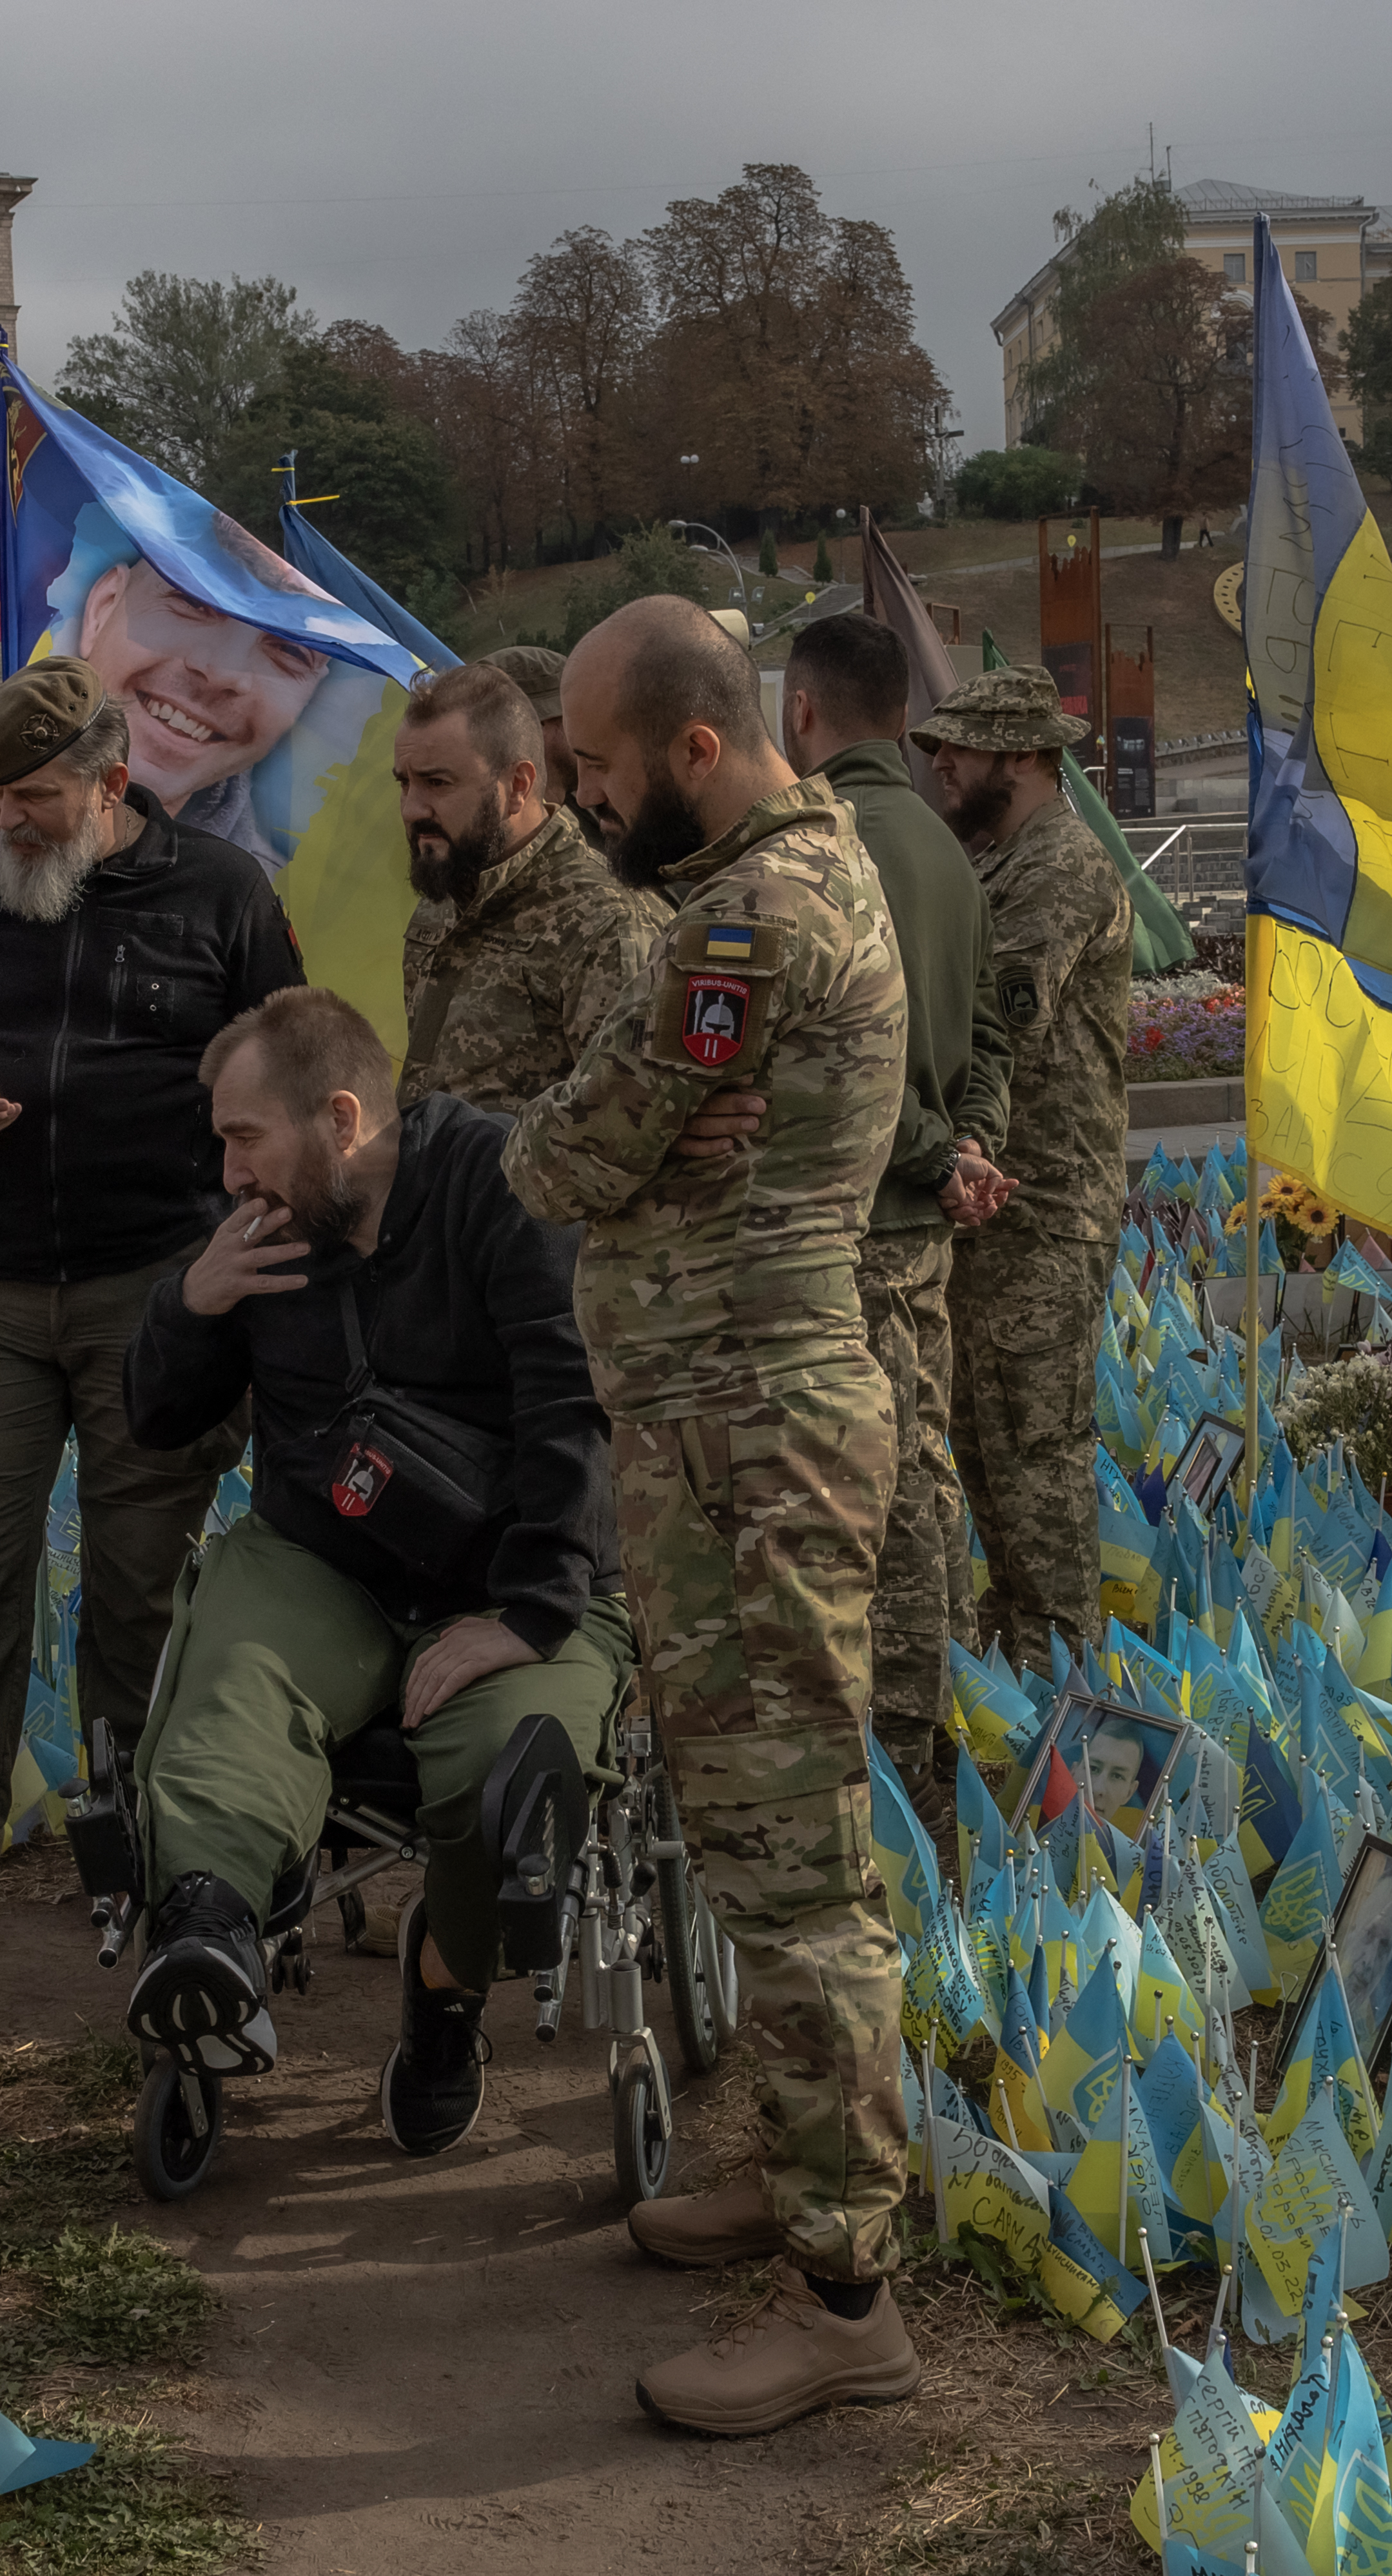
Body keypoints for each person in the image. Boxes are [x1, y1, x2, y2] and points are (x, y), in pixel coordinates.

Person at [504, 594, 919, 2437]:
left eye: (596, 768)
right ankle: (788, 2163)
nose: (584, 804)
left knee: (801, 1858)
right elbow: (637, 1123)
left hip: (760, 1429)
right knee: (760, 1839)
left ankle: (848, 2294)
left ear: (694, 748)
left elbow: (568, 1148)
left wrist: (610, 1139)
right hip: (720, 1424)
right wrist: (654, 1128)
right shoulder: (759, 887)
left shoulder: (751, 912)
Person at [0, 658, 304, 1979]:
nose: (7, 820)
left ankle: (152, 1846)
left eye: (33, 794)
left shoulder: (220, 894)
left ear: (112, 783)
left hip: (155, 1291)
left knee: (138, 1583)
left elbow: (284, 1062)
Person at [119, 986, 632, 2150]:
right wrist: (188, 1308)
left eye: (244, 1138)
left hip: (513, 1572)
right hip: (326, 1559)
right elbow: (152, 1417)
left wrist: (533, 1611)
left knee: (505, 1773)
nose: (228, 1170)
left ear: (340, 1119)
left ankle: (445, 1995)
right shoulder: (258, 1232)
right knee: (235, 1680)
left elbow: (572, 1408)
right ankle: (211, 1935)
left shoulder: (502, 1191)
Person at [778, 611, 1015, 1762]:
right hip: (922, 1220)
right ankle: (948, 1699)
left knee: (877, 1493)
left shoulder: (826, 849)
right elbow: (989, 1039)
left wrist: (936, 1153)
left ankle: (905, 1736)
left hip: (859, 1211)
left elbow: (839, 1061)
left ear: (800, 711)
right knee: (925, 1463)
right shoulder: (939, 844)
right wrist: (968, 1147)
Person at [910, 666, 1130, 1669]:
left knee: (1036, 1469)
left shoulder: (1060, 864)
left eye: (963, 747)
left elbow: (999, 1019)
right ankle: (1028, 1677)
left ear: (1029, 757)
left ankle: (1068, 1697)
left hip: (1040, 1214)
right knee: (994, 1469)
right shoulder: (1000, 862)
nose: (941, 763)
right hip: (996, 1210)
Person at [395, 661, 667, 1116]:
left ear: (517, 786)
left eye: (437, 782)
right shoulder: (445, 900)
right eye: (404, 783)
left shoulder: (604, 924)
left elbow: (634, 1126)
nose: (410, 808)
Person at [71, 548, 337, 863]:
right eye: (194, 602)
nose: (222, 674)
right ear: (103, 608)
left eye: (291, 651)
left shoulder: (268, 900)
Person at [479, 645, 582, 811]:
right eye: (575, 715)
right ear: (536, 727)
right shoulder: (497, 831)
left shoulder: (589, 807)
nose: (589, 730)